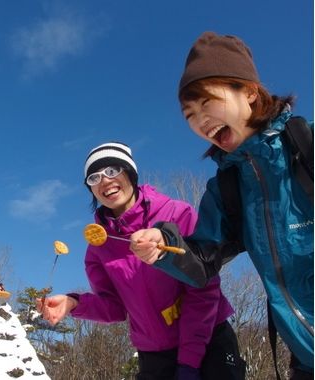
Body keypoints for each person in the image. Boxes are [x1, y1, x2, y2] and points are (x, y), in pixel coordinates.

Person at [129, 32, 314, 379]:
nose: (200, 120)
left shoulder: (308, 148)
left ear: (249, 91)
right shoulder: (227, 188)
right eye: (189, 114)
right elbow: (202, 259)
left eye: (207, 102)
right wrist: (163, 246)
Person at [38, 142, 245, 379]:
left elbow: (203, 288)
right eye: (94, 178)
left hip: (208, 340)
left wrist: (189, 363)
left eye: (113, 171)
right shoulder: (98, 250)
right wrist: (74, 303)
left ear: (131, 173)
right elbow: (114, 308)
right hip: (155, 355)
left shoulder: (178, 215)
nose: (105, 181)